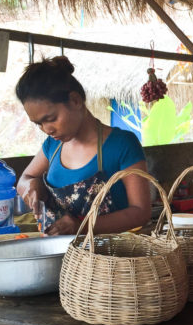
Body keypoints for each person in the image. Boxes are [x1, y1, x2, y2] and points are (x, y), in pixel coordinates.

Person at [15, 56, 151, 235]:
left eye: (51, 119)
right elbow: (24, 179)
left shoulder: (122, 144)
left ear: (75, 101)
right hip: (57, 250)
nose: (47, 129)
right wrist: (32, 185)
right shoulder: (52, 146)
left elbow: (141, 212)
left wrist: (82, 226)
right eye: (38, 124)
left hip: (110, 251)